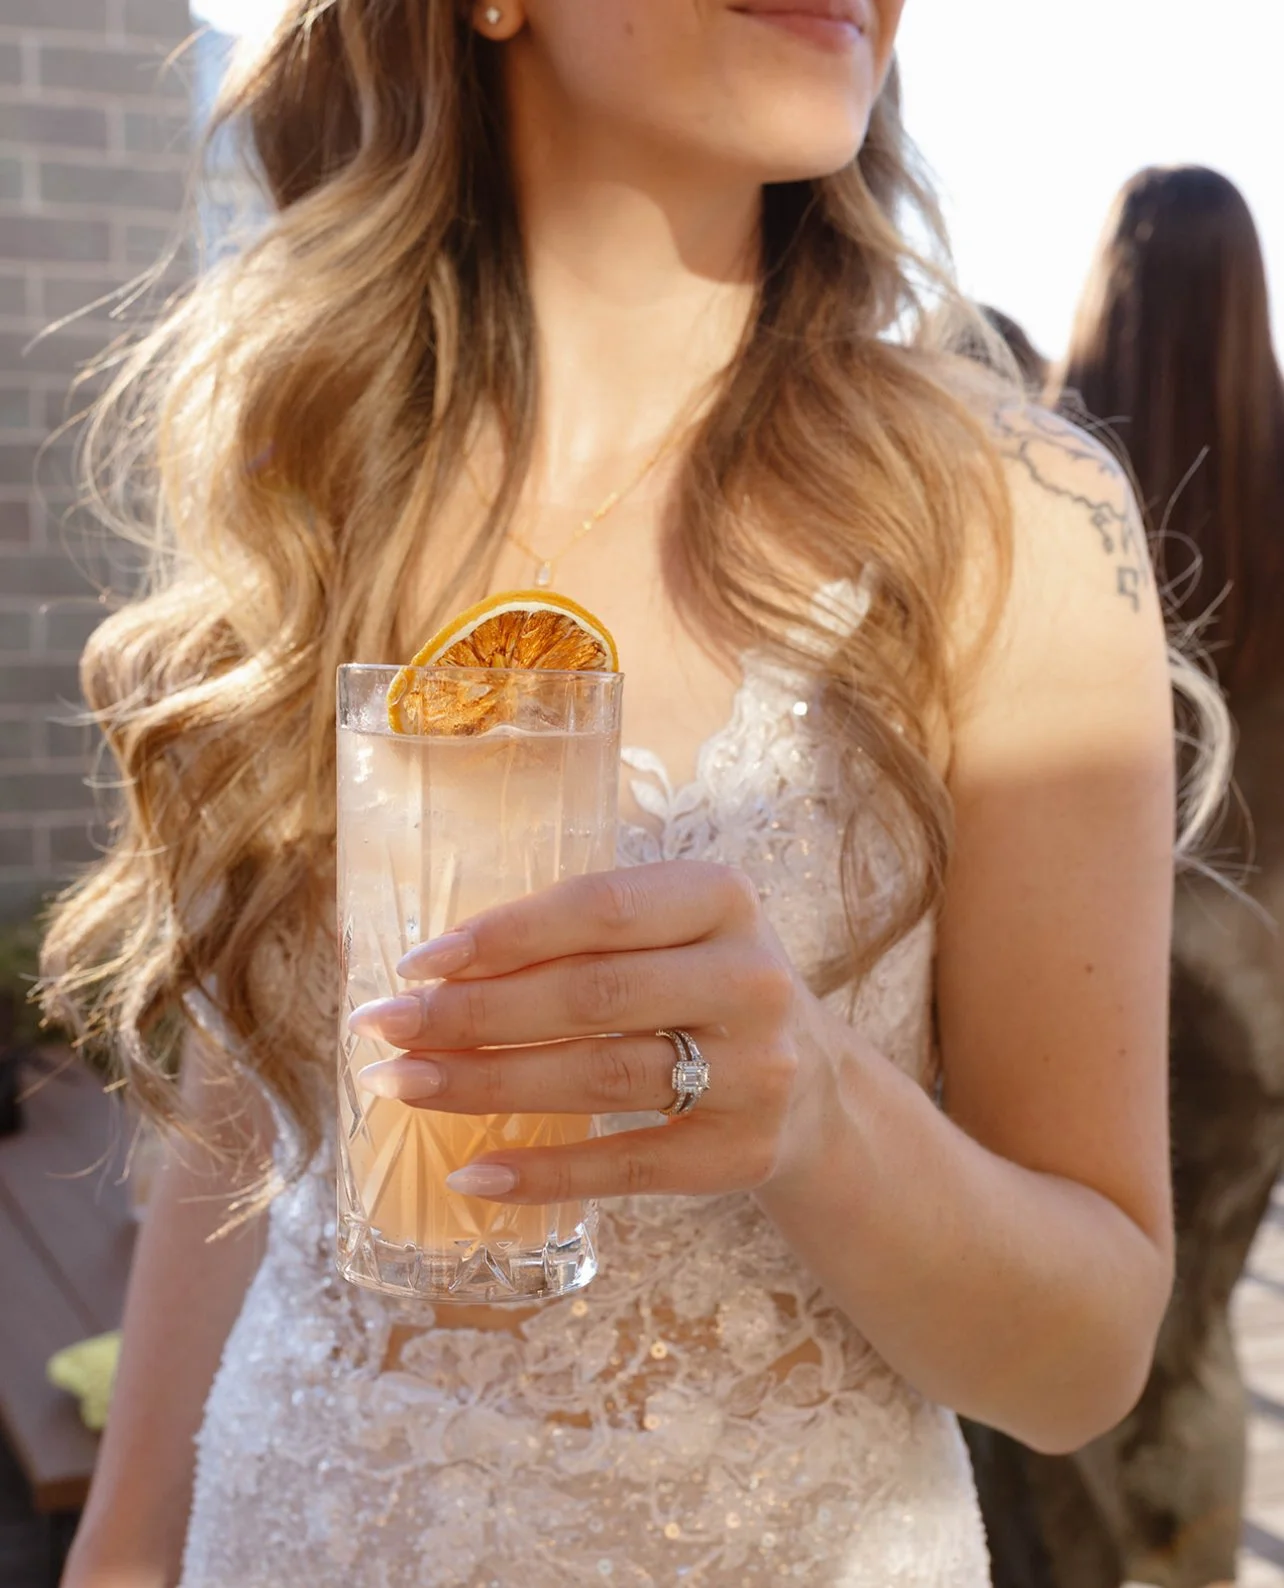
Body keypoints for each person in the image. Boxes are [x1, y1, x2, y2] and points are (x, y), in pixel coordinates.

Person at [40, 8, 1221, 1585]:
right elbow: (250, 1099)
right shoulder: (319, 470)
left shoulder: (1007, 520)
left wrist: (822, 1108)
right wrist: (123, 1550)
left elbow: (1088, 1365)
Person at [969, 165, 1284, 1588]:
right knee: (1192, 1335)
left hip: (1057, 971)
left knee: (1041, 1356)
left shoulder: (1046, 481)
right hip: (1253, 1009)